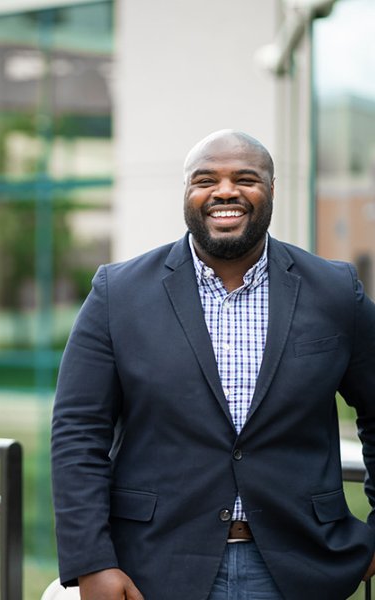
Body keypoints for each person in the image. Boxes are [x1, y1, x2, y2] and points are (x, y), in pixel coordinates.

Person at [50, 129, 375, 600]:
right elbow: (78, 431)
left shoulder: (335, 290)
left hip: (302, 568)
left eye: (246, 178)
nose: (225, 191)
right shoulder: (116, 294)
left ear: (271, 190)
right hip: (154, 568)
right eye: (205, 180)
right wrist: (91, 562)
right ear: (187, 194)